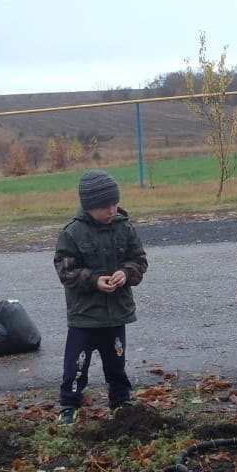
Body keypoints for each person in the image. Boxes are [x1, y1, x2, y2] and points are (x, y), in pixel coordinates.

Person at [53, 169, 148, 424]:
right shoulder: (72, 233)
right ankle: (69, 406)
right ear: (89, 207)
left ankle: (120, 403)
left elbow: (139, 261)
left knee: (116, 365)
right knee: (76, 366)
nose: (112, 211)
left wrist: (125, 274)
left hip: (116, 314)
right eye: (105, 207)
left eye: (115, 204)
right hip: (84, 317)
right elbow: (66, 270)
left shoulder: (124, 228)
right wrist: (94, 280)